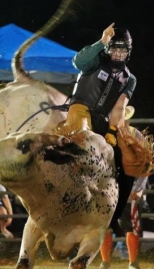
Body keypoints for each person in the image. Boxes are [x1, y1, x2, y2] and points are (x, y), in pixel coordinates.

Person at [58, 23, 137, 230]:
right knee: (78, 145)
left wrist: (112, 130)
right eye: (114, 48)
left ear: (128, 52)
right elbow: (78, 61)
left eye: (123, 50)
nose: (118, 54)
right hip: (79, 109)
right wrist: (101, 41)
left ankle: (114, 216)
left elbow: (120, 107)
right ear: (108, 48)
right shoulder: (95, 60)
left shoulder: (129, 79)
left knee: (127, 162)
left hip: (103, 120)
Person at [95, 175, 149, 269]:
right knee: (106, 228)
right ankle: (106, 263)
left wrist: (138, 189)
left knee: (131, 229)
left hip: (128, 194)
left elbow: (144, 171)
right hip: (110, 193)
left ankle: (132, 264)